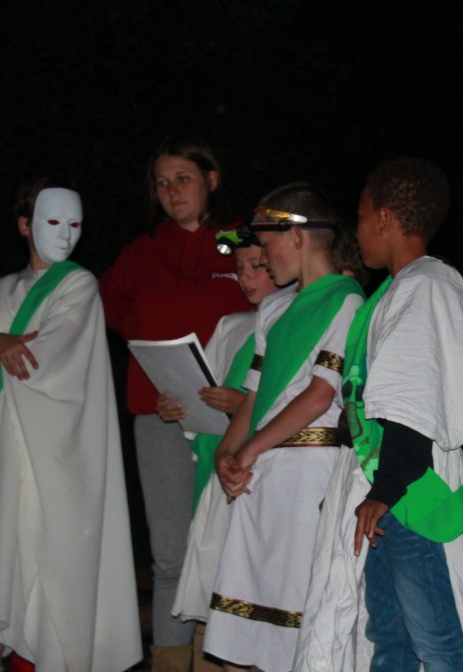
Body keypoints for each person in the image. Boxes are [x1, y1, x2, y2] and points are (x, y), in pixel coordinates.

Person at [0, 180, 142, 672]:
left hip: (54, 450)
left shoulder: (78, 285)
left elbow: (43, 358)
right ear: (24, 225)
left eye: (75, 224)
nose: (64, 234)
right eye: (52, 221)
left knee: (48, 556)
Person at [295, 157, 463, 672]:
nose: (358, 230)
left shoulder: (427, 285)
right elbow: (365, 401)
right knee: (389, 638)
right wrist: (350, 485)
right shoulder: (395, 291)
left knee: (436, 643)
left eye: (362, 218)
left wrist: (385, 488)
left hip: (411, 495)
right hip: (385, 492)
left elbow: (414, 397)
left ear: (385, 218)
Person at [99, 139, 252, 672]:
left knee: (225, 548)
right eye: (162, 183)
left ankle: (218, 660)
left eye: (183, 179)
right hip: (160, 414)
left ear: (211, 180)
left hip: (231, 419)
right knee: (171, 555)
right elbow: (108, 299)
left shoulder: (241, 239)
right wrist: (140, 331)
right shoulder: (145, 249)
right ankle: (167, 662)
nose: (171, 192)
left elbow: (280, 298)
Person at [202, 184, 365, 672]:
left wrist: (249, 450)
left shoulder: (347, 302)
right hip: (260, 478)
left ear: (296, 236)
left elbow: (319, 395)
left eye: (266, 241)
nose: (262, 255)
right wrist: (226, 454)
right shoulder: (273, 310)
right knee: (239, 622)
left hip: (309, 477)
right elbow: (254, 397)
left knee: (292, 623)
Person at [171, 226, 285, 672]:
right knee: (213, 582)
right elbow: (202, 395)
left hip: (261, 477)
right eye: (238, 268)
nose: (246, 277)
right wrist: (179, 403)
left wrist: (242, 405)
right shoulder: (230, 326)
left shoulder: (294, 322)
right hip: (218, 473)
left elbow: (301, 402)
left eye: (256, 265)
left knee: (255, 590)